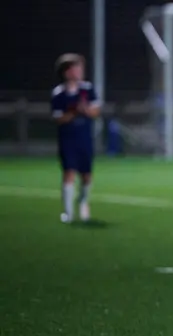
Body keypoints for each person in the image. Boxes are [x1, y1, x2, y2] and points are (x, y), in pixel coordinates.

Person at [51, 54, 101, 223]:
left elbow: (95, 112)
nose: (78, 71)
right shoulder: (59, 94)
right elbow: (58, 118)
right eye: (74, 68)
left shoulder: (87, 89)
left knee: (86, 176)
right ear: (66, 72)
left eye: (80, 68)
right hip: (67, 140)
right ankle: (68, 212)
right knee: (69, 172)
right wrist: (73, 111)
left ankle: (83, 202)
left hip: (84, 138)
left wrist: (85, 109)